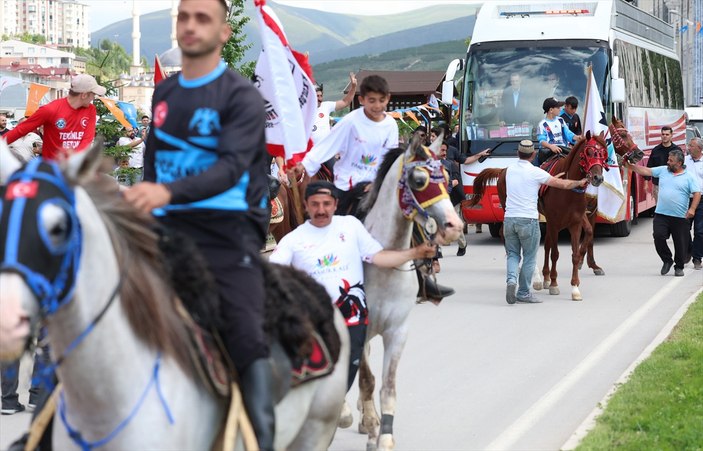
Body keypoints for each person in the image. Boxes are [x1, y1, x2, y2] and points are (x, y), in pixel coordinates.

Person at [123, 1, 274, 448]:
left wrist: (166, 194)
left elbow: (230, 168)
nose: (190, 26)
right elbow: (153, 164)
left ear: (224, 32)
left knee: (246, 334)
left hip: (225, 235)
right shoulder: (165, 95)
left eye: (202, 18)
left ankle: (262, 434)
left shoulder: (240, 96)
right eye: (184, 17)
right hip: (165, 235)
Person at [269, 181, 437, 392]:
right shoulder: (293, 240)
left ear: (335, 204)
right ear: (305, 205)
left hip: (353, 318)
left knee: (341, 385)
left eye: (326, 204)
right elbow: (272, 272)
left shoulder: (350, 226)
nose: (321, 210)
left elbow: (379, 257)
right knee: (315, 383)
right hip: (314, 321)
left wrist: (415, 253)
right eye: (315, 204)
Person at [297, 75, 399, 214]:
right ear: (362, 100)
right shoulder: (351, 120)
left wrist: (378, 182)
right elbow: (329, 143)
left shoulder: (391, 125)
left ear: (388, 98)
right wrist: (304, 164)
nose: (377, 106)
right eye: (372, 100)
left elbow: (391, 158)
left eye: (381, 100)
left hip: (373, 183)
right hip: (347, 183)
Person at [504, 140, 588, 304]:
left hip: (509, 219)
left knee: (513, 255)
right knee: (529, 257)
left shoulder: (509, 171)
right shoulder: (536, 173)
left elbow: (528, 183)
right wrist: (579, 182)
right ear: (533, 154)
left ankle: (511, 281)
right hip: (528, 220)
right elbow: (562, 184)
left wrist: (548, 178)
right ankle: (523, 292)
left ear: (517, 154)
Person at [625, 149, 701, 277]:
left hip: (679, 217)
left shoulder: (689, 177)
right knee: (658, 237)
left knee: (680, 243)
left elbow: (697, 193)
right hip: (661, 214)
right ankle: (667, 260)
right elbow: (646, 171)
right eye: (668, 160)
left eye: (671, 161)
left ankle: (679, 267)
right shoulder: (663, 170)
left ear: (679, 163)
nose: (668, 162)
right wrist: (629, 166)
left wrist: (692, 209)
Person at [3, 74, 104, 161]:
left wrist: (73, 160)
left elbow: (87, 140)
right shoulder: (50, 110)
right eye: (93, 94)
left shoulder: (90, 110)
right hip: (51, 170)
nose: (93, 97)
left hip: (75, 168)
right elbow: (20, 130)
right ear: (84, 95)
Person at [312, 73, 357, 145]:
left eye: (321, 96)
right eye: (317, 96)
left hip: (327, 149)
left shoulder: (326, 106)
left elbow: (345, 102)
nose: (320, 99)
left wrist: (353, 87)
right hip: (311, 151)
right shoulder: (304, 110)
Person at [536, 97, 579, 166]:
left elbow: (568, 133)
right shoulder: (542, 124)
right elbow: (542, 141)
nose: (560, 109)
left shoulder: (560, 120)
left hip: (564, 150)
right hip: (550, 153)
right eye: (558, 107)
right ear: (551, 110)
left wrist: (577, 138)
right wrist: (551, 146)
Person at [646, 126, 682, 202]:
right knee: (659, 208)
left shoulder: (677, 150)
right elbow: (649, 166)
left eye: (667, 134)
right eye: (663, 134)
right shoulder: (656, 150)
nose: (664, 136)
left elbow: (681, 167)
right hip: (658, 185)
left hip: (673, 185)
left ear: (671, 135)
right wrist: (646, 183)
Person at [684, 137, 703, 270]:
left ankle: (697, 258)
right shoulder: (684, 161)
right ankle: (688, 250)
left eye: (691, 146)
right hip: (686, 199)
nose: (688, 147)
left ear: (699, 149)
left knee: (700, 230)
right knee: (684, 229)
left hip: (701, 200)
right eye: (689, 145)